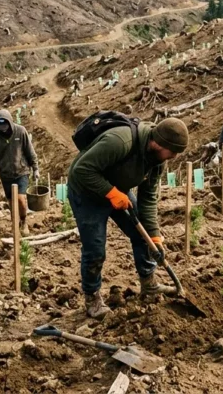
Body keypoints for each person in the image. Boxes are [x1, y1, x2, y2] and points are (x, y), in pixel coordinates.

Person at [67, 117, 189, 319]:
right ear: (158, 143)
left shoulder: (157, 161)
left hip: (118, 191)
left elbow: (148, 199)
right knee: (95, 247)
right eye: (173, 152)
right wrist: (110, 193)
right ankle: (92, 297)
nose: (174, 157)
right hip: (86, 192)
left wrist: (155, 236)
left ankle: (149, 285)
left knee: (144, 237)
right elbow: (82, 170)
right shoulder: (120, 142)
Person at [0, 108, 40, 237]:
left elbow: (30, 151)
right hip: (5, 173)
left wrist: (35, 168)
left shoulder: (20, 131)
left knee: (20, 199)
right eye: (0, 125)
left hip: (21, 171)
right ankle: (15, 224)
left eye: (5, 124)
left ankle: (24, 221)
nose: (3, 127)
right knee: (11, 202)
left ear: (10, 122)